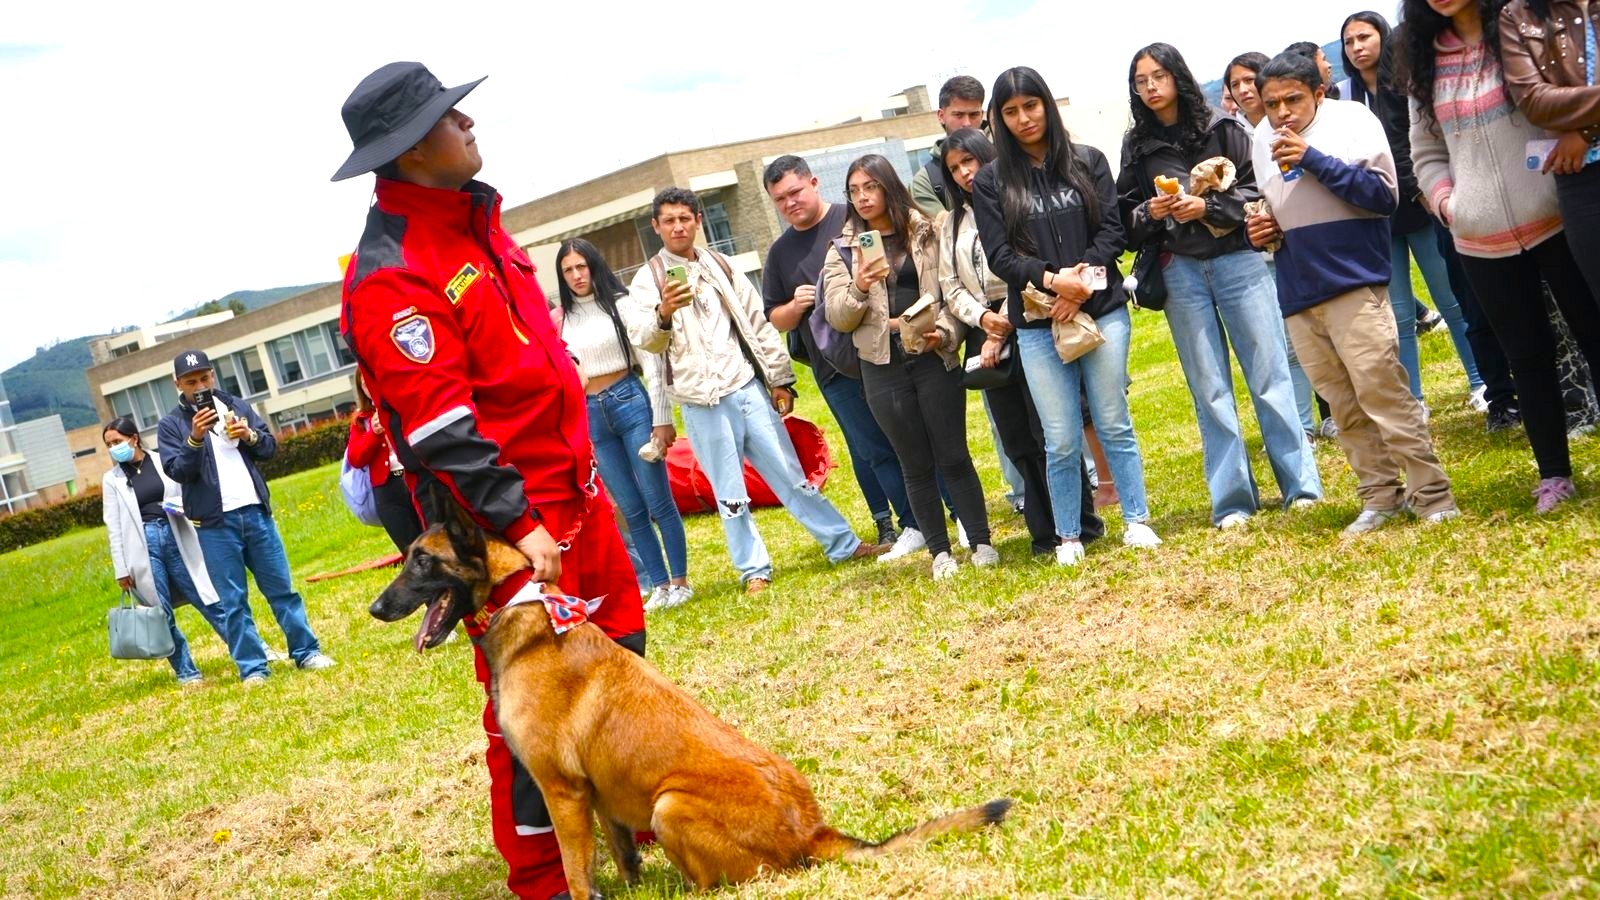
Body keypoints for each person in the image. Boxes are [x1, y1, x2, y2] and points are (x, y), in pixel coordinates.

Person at [333, 62, 646, 900]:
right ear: (408, 152)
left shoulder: (478, 222)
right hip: (511, 526)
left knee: (622, 654)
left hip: (577, 491)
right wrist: (521, 520)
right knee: (530, 712)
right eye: (449, 118)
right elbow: (440, 427)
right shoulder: (392, 271)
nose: (467, 124)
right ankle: (544, 879)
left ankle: (636, 820)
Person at [624, 186, 884, 593]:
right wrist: (664, 312)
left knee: (791, 474)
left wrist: (779, 378)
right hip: (700, 400)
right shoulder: (647, 281)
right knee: (728, 491)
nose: (678, 226)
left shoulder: (722, 265)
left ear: (698, 221)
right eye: (669, 220)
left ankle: (842, 544)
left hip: (744, 386)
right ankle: (753, 569)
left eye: (685, 218)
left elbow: (757, 324)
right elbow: (646, 344)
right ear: (656, 226)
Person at [1244, 51, 1459, 533]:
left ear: (1318, 92)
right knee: (1342, 405)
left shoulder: (1353, 121)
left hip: (1354, 280)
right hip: (1299, 287)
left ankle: (1432, 495)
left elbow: (1383, 197)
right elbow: (1278, 208)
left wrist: (1312, 158)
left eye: (1293, 100)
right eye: (1271, 103)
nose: (1281, 113)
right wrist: (1262, 229)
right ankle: (1380, 496)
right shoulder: (1261, 139)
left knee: (1382, 391)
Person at [1401, 0, 1600, 512]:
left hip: (1557, 214)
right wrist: (1449, 203)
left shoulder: (1517, 31)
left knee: (1594, 333)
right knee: (1526, 358)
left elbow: (1561, 100)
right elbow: (1425, 148)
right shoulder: (1423, 58)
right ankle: (1554, 475)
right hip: (1478, 235)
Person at [1118, 43, 1322, 530]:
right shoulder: (1137, 146)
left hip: (1239, 262)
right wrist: (1153, 210)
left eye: (1158, 76)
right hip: (1179, 270)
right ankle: (1232, 501)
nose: (1150, 87)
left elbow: (1261, 192)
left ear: (1178, 76)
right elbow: (1123, 216)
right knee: (1208, 388)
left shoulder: (1225, 128)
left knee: (1269, 375)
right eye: (1140, 80)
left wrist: (1207, 208)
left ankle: (1301, 487)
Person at [973, 66, 1163, 566]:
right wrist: (1055, 281)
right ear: (999, 119)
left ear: (1047, 106)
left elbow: (1112, 234)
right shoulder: (992, 180)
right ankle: (1069, 536)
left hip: (1101, 311)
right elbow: (1000, 255)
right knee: (1058, 436)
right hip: (1036, 324)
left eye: (1030, 106)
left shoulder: (1087, 161)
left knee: (1112, 420)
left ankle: (1137, 520)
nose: (1023, 119)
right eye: (1010, 112)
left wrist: (1080, 288)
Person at [821, 154, 997, 580]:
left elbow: (951, 291)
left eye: (870, 187)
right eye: (854, 191)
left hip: (932, 356)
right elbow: (838, 316)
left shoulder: (927, 230)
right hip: (881, 367)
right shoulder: (842, 249)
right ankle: (940, 552)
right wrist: (861, 283)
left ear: (887, 187)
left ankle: (981, 541)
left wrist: (946, 333)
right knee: (913, 462)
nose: (862, 198)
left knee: (953, 455)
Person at [936, 127, 1106, 556]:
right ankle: (1043, 529)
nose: (965, 173)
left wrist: (1007, 319)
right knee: (1015, 438)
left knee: (1049, 429)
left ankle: (1080, 521)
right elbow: (950, 285)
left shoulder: (1016, 201)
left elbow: (1025, 264)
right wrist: (984, 321)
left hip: (1032, 315)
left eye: (969, 161)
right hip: (984, 330)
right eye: (955, 168)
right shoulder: (950, 222)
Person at [761, 154, 925, 560]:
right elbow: (774, 317)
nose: (790, 203)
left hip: (882, 352)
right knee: (872, 447)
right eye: (780, 199)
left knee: (914, 434)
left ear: (814, 183)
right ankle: (911, 524)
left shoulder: (851, 223)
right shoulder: (780, 253)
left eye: (795, 192)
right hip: (832, 366)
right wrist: (795, 307)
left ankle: (950, 510)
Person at [1335, 11, 1486, 411]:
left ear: (1383, 37)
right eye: (1349, 42)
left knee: (1451, 297)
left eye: (1364, 37)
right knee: (1398, 314)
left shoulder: (1403, 83)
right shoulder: (1346, 97)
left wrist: (1426, 192)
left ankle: (1479, 382)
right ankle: (1414, 399)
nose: (1357, 48)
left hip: (1421, 205)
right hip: (1378, 215)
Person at [156, 350, 336, 682]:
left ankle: (306, 651)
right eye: (191, 381)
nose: (200, 385)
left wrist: (248, 435)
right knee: (233, 601)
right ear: (177, 384)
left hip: (255, 513)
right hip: (214, 524)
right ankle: (253, 668)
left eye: (205, 377)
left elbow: (268, 447)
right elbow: (178, 471)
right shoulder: (170, 425)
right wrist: (195, 438)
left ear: (213, 375)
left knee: (282, 589)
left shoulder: (236, 405)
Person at [556, 237, 693, 612]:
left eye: (581, 266)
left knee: (656, 498)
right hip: (592, 413)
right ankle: (659, 585)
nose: (576, 275)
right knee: (629, 509)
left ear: (594, 266)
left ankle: (680, 580)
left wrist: (661, 416)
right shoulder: (562, 319)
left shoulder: (620, 305)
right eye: (568, 270)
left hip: (629, 400)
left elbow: (651, 359)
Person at [102, 417, 248, 686]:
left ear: (133, 438)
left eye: (117, 442)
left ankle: (249, 654)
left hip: (176, 533)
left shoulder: (161, 461)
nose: (113, 448)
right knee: (161, 612)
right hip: (144, 546)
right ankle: (186, 672)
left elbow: (186, 493)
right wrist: (121, 569)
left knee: (209, 599)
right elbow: (114, 527)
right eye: (109, 444)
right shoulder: (112, 480)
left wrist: (178, 506)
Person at [1229, 49, 1324, 438]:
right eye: (1234, 84)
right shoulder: (1240, 134)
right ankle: (1302, 425)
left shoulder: (1311, 125)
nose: (1242, 89)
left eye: (1249, 80)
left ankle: (1331, 413)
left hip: (1319, 243)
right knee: (1291, 342)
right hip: (1270, 250)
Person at [1499, 0, 1600, 300]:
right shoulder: (1518, 13)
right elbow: (1535, 102)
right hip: (1582, 181)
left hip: (1577, 155)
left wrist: (1586, 131)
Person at [345, 377, 424, 553]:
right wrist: (373, 433)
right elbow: (355, 459)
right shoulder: (361, 420)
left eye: (370, 380)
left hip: (415, 477)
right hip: (387, 488)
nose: (368, 387)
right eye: (364, 385)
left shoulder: (401, 403)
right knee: (410, 548)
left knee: (434, 537)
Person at [910, 75, 987, 218]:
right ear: (941, 116)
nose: (967, 123)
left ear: (982, 114)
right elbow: (945, 233)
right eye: (958, 115)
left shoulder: (1004, 155)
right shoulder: (926, 181)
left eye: (974, 115)